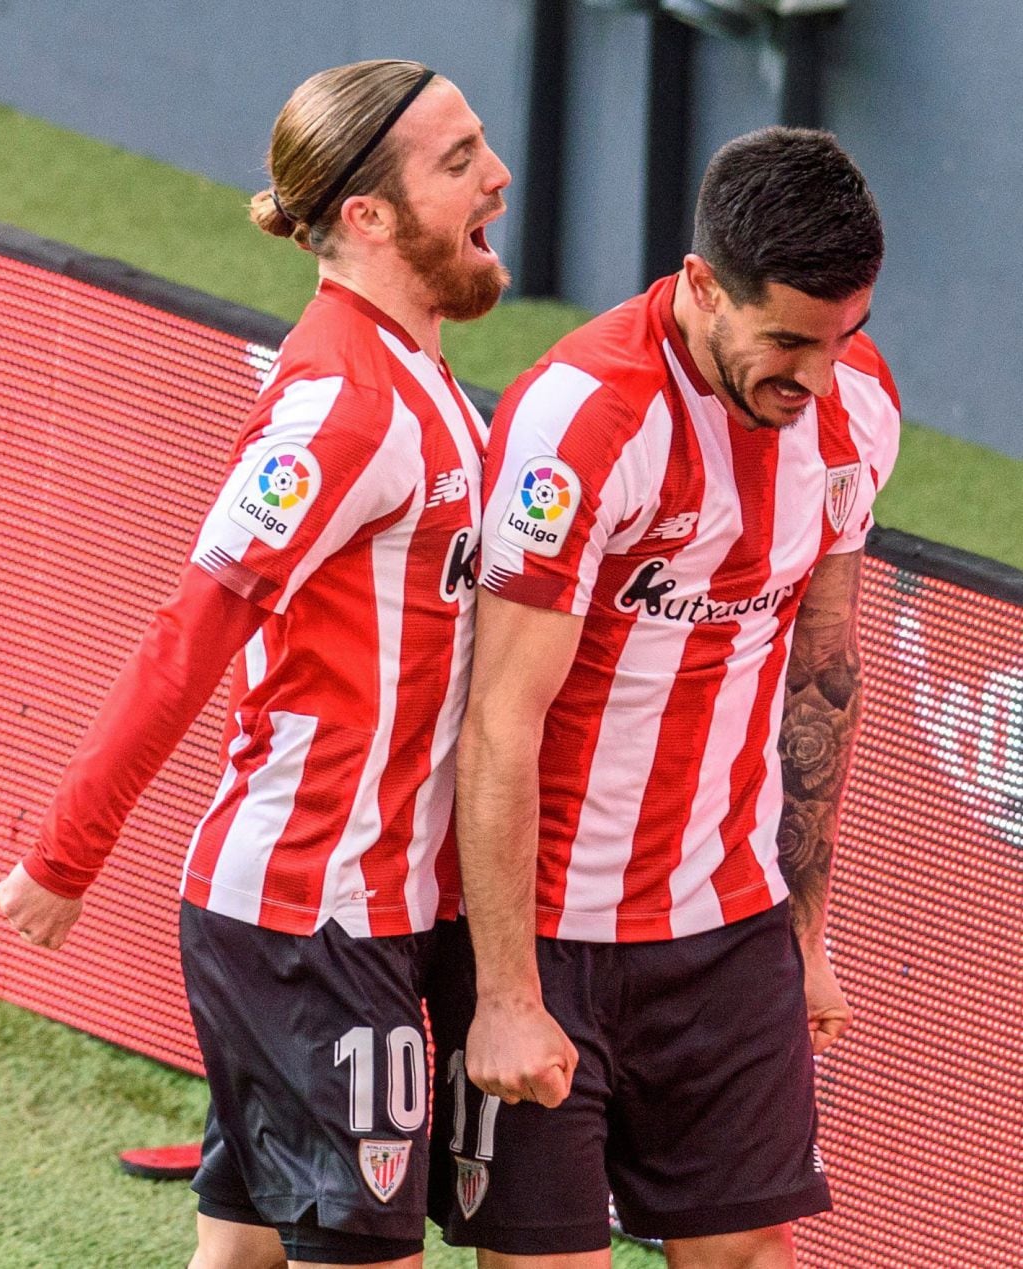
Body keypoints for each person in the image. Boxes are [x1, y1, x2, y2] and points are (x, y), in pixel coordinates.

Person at [0, 58, 511, 1269]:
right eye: (460, 163)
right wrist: (68, 852)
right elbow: (190, 633)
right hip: (313, 924)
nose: (497, 177)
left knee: (238, 1250)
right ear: (369, 218)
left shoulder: (417, 372)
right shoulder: (344, 407)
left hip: (349, 911)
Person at [429, 127, 899, 1269]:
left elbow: (823, 677)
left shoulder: (853, 412)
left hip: (728, 928)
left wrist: (807, 938)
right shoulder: (582, 422)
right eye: (788, 340)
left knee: (745, 1257)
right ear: (700, 285)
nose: (817, 376)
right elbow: (500, 719)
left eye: (845, 338)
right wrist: (502, 992)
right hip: (547, 935)